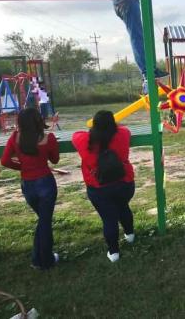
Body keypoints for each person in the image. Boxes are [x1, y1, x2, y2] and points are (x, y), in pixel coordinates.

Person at [0, 108, 60, 270]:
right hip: (46, 184)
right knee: (45, 223)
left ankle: (37, 258)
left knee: (43, 221)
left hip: (28, 185)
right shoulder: (48, 138)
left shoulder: (14, 138)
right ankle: (45, 261)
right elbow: (55, 160)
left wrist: (22, 167)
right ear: (38, 121)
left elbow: (5, 161)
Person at [72, 111, 136, 263]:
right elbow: (125, 129)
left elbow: (75, 134)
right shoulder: (123, 134)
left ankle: (113, 253)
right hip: (125, 184)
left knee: (109, 219)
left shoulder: (84, 139)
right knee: (123, 207)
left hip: (99, 189)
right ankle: (130, 235)